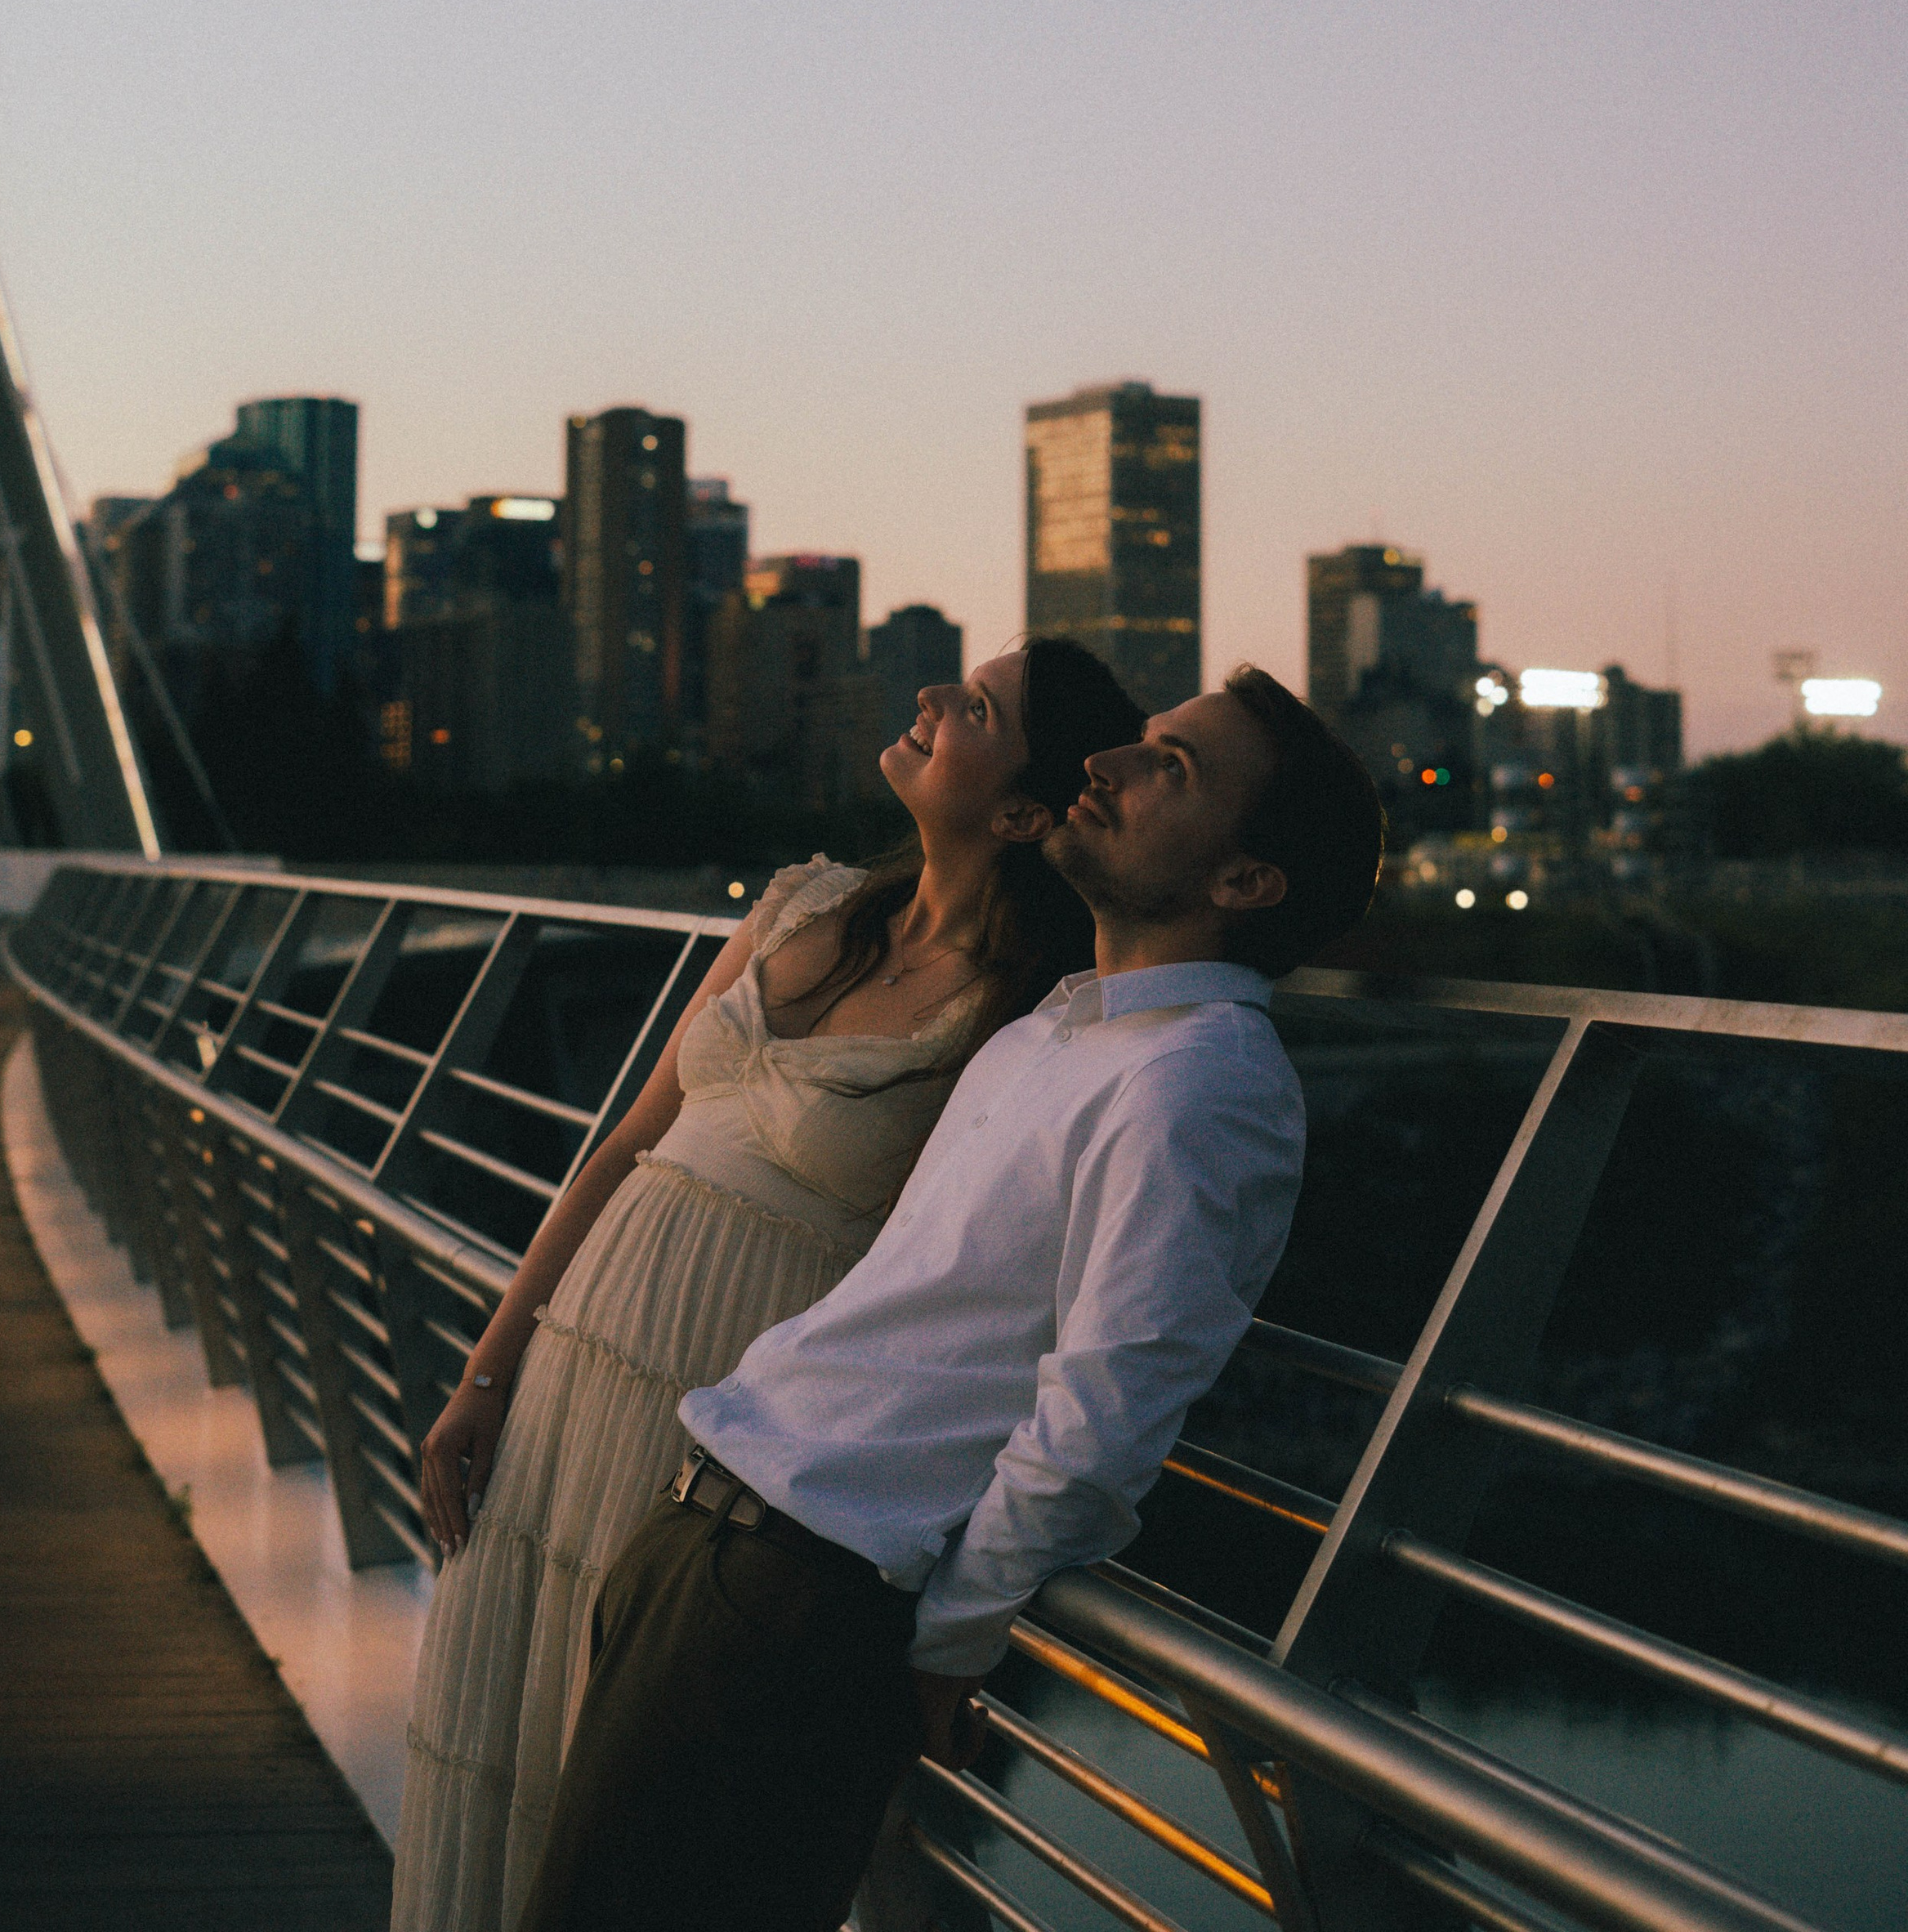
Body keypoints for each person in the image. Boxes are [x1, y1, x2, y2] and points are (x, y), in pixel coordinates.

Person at [512, 663, 1384, 1932]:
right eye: (1136, 744)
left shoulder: (1205, 1085)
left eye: (1170, 769)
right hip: (703, 1536)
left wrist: (949, 1646)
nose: (1110, 766)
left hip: (798, 1599)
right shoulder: (1053, 1035)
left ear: (1245, 882)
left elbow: (1102, 1420)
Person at [391, 635, 1146, 1932]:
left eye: (971, 708)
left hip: (725, 1416)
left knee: (627, 1792)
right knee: (503, 1731)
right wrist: (484, 1374)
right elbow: (625, 1147)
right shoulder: (807, 904)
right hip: (575, 1365)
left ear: (1024, 811)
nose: (926, 701)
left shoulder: (1024, 1020)